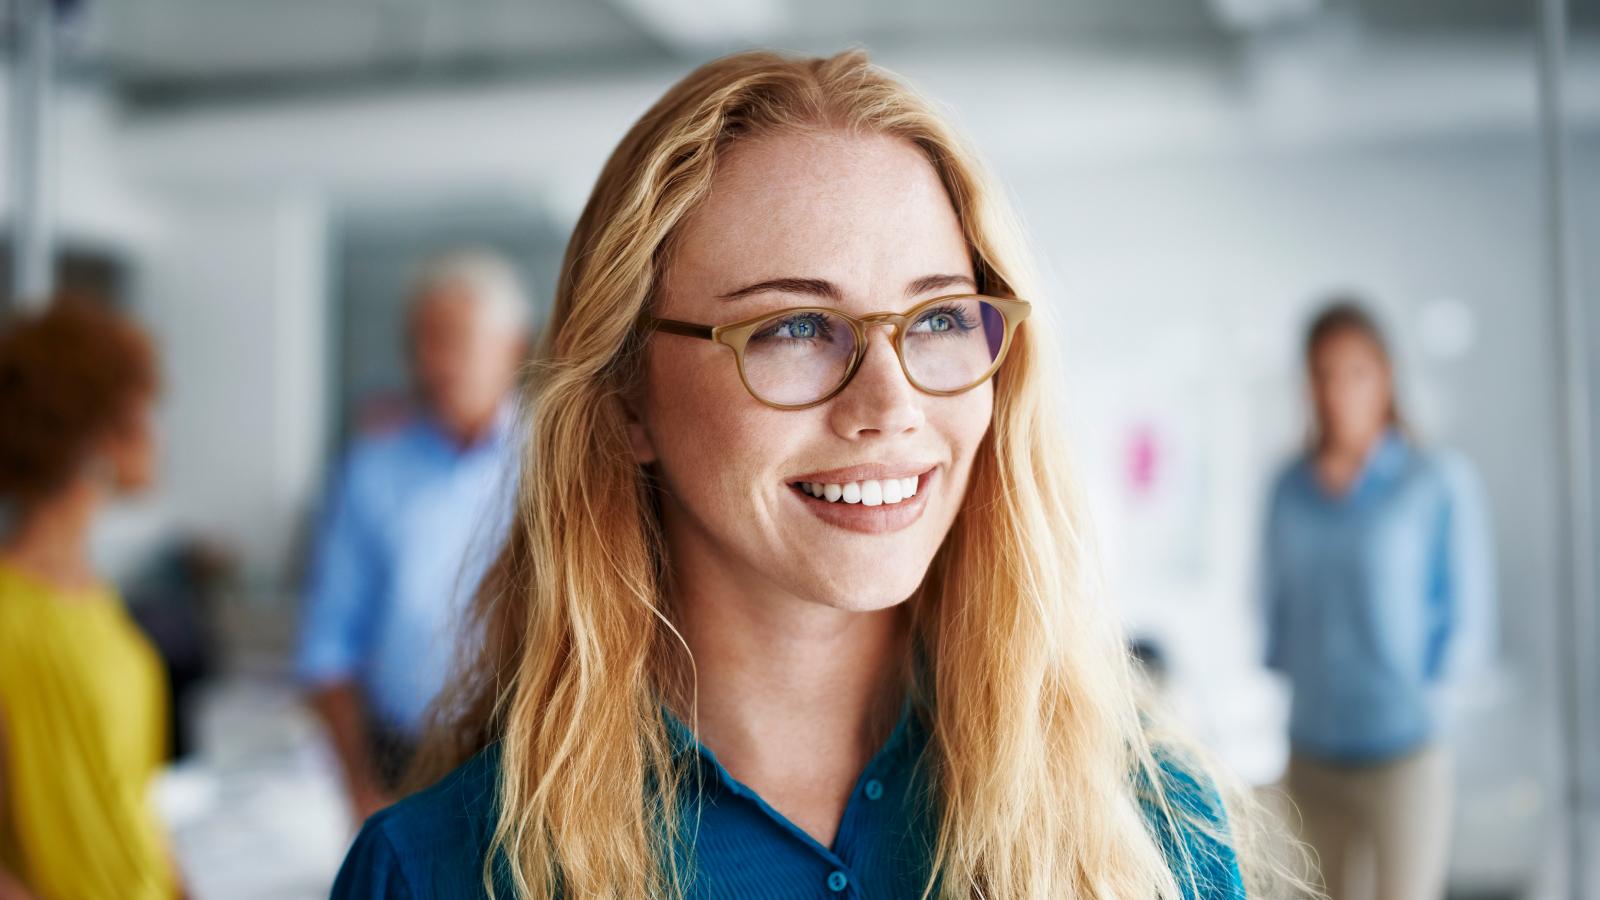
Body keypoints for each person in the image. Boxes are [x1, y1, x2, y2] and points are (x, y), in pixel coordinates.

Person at [332, 50, 1303, 899]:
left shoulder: (1151, 833)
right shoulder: (440, 872)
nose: (889, 404)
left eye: (937, 319)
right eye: (792, 328)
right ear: (626, 399)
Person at [1262, 301, 1497, 900]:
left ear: (1386, 378)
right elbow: (1276, 608)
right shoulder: (1288, 489)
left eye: (1356, 373)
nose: (1338, 391)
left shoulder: (1434, 481)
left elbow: (1467, 621)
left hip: (1403, 756)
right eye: (1323, 373)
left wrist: (1418, 693)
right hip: (1311, 751)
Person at [296, 251, 530, 822]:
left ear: (512, 348)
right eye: (420, 344)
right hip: (401, 761)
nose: (434, 363)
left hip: (532, 756)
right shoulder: (370, 471)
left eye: (453, 340)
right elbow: (328, 646)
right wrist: (358, 790)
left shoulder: (562, 462)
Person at [0, 299, 181, 900]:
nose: (157, 434)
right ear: (97, 433)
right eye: (143, 412)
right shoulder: (11, 614)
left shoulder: (94, 598)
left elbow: (127, 798)